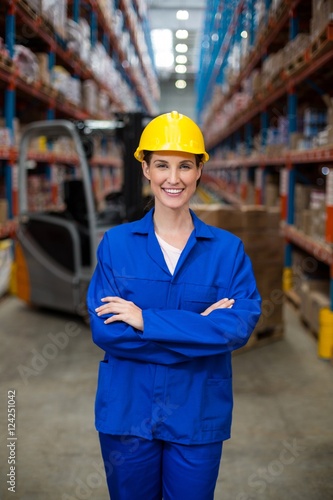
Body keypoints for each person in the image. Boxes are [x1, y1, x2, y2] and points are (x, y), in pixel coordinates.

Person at [87, 110, 261, 500]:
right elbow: (108, 332)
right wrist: (200, 331)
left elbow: (237, 327)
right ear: (145, 169)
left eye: (185, 166)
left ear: (200, 170)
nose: (173, 178)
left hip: (197, 414)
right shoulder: (116, 245)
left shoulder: (227, 251)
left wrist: (146, 321)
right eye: (162, 165)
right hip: (128, 414)